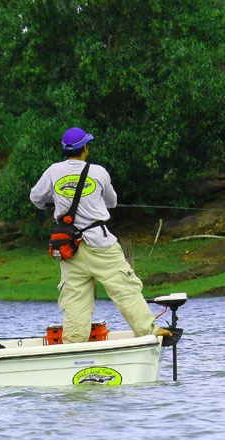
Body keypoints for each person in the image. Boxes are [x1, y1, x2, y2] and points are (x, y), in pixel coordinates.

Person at [29, 126, 171, 343]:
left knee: (75, 300)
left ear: (65, 150)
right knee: (125, 287)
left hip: (69, 248)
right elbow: (112, 202)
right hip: (101, 245)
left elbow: (36, 198)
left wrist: (56, 201)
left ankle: (74, 346)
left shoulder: (52, 171)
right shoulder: (98, 172)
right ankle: (149, 331)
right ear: (85, 148)